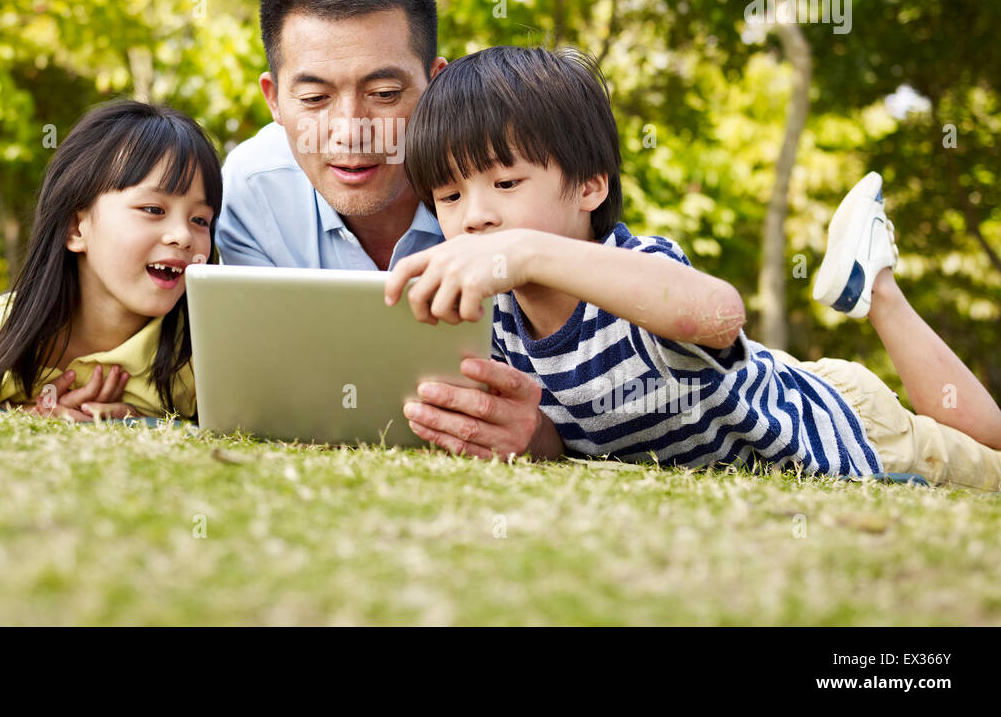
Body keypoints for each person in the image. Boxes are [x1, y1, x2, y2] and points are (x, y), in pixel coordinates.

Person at [384, 45, 1001, 491]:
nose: (476, 216)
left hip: (849, 425)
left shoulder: (633, 268)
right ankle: (876, 285)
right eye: (450, 196)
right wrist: (532, 437)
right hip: (777, 388)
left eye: (507, 181)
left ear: (591, 187)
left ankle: (879, 289)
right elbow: (573, 435)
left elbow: (717, 312)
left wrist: (526, 251)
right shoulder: (495, 326)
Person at [0, 99, 222, 421]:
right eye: (154, 210)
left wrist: (148, 423)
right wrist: (24, 414)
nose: (182, 236)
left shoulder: (201, 361)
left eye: (200, 220)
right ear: (75, 228)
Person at [215, 0, 447, 271]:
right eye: (315, 98)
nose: (351, 132)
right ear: (274, 99)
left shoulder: (503, 177)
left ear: (435, 84)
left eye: (384, 94)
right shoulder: (254, 188)